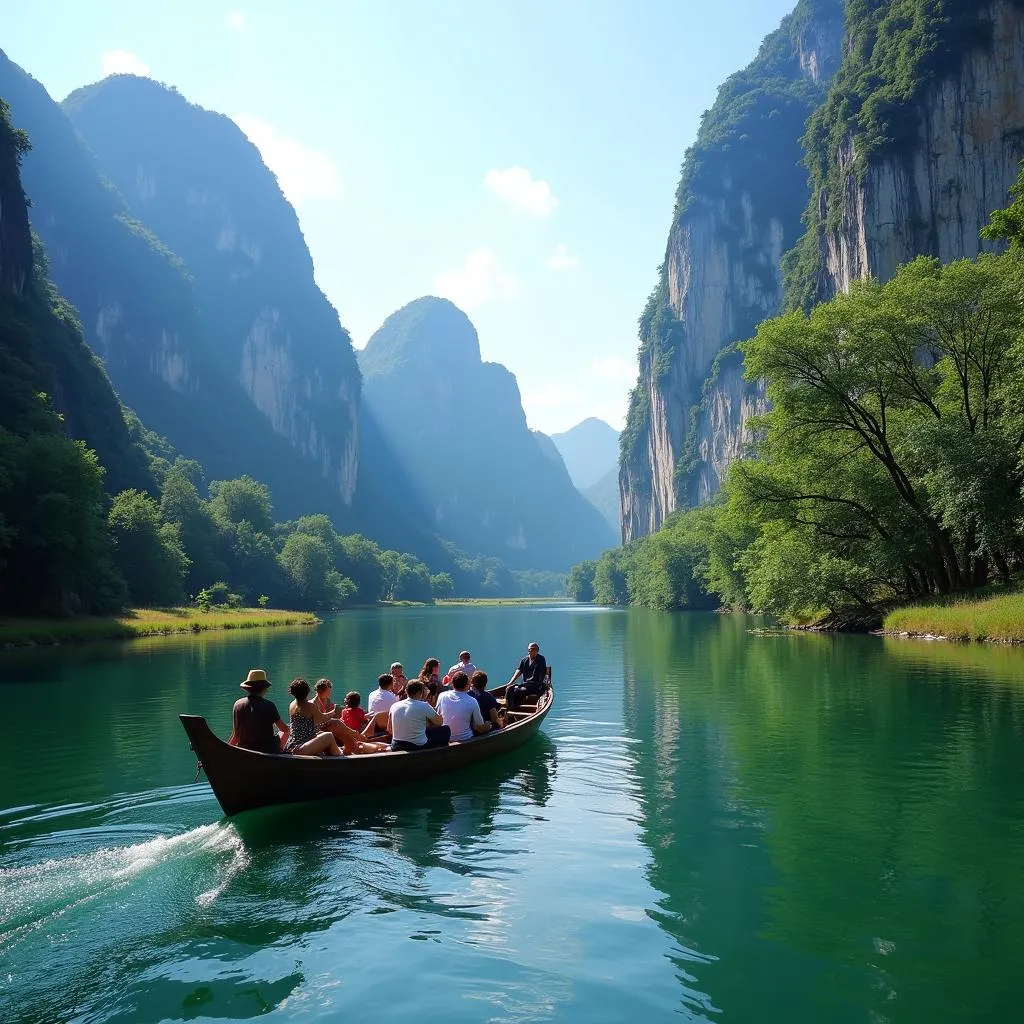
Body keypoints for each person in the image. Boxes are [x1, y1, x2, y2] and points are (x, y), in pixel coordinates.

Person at [229, 668, 290, 753]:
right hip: (267, 751)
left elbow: (236, 735)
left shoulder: (237, 704)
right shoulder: (269, 705)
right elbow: (284, 729)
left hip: (244, 749)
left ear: (247, 688)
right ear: (264, 688)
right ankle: (279, 754)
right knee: (287, 731)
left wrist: (227, 750)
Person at [285, 678, 342, 757]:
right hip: (301, 747)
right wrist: (333, 712)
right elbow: (321, 719)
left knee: (322, 733)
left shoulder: (292, 704)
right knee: (329, 736)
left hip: (292, 745)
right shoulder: (310, 706)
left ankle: (336, 750)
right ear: (307, 691)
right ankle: (340, 755)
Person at [389, 680, 450, 752]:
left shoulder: (394, 705)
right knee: (446, 729)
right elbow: (439, 723)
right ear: (420, 692)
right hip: (416, 746)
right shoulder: (424, 705)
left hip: (396, 744)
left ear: (406, 691)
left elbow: (389, 729)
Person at [436, 672, 490, 742]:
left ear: (452, 683)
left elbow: (438, 717)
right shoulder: (472, 701)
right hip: (465, 738)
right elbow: (479, 727)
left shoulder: (442, 695)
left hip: (445, 738)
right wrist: (488, 725)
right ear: (467, 685)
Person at [505, 642, 548, 710]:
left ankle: (515, 708)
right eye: (530, 649)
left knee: (518, 691)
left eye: (533, 649)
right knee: (510, 689)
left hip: (536, 685)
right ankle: (511, 707)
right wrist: (511, 682)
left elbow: (537, 676)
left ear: (537, 651)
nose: (531, 651)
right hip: (525, 684)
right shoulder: (524, 660)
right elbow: (519, 671)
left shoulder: (541, 659)